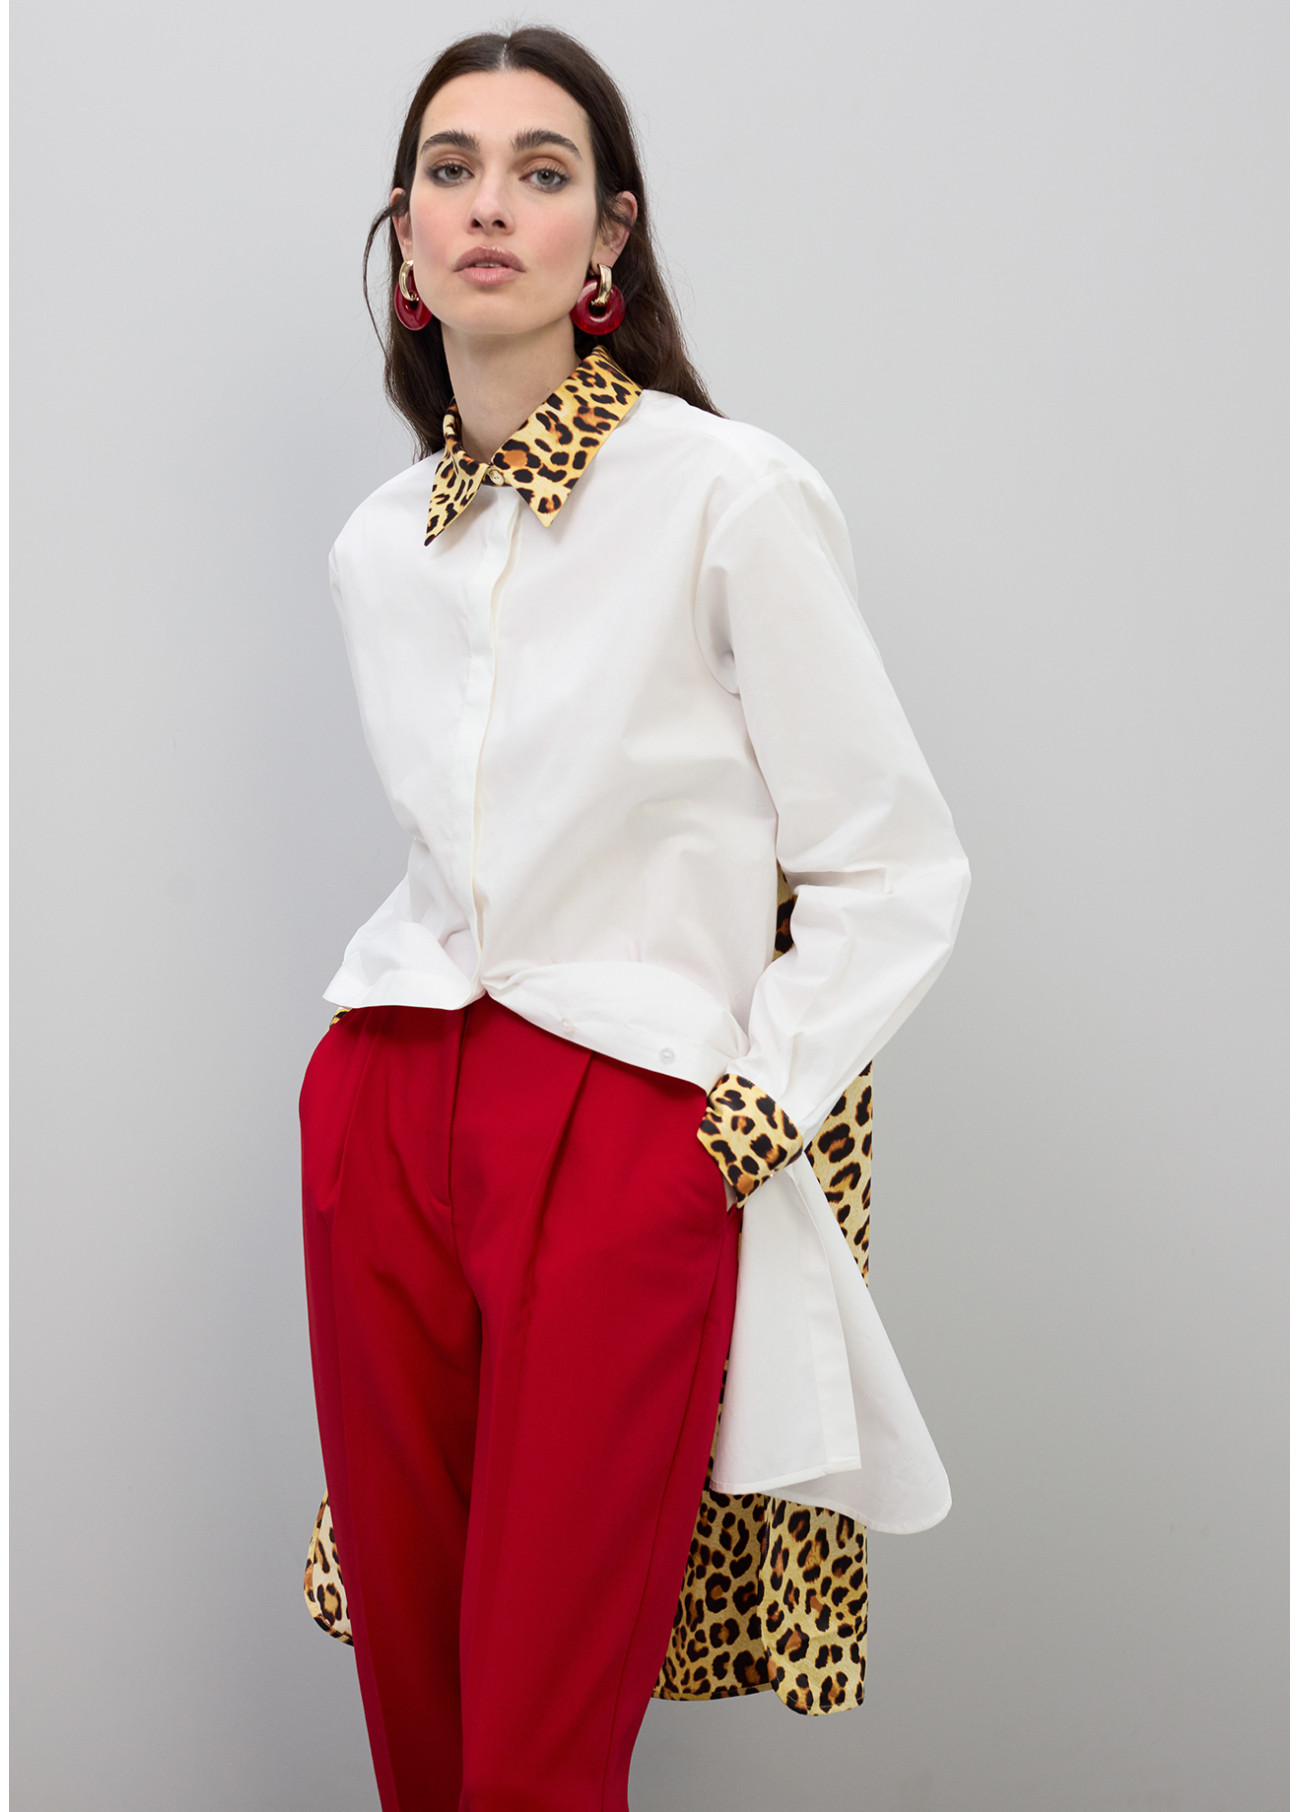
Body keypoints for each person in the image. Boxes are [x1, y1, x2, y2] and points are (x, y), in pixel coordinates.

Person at [299, 24, 971, 1812]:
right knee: (420, 1716)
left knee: (538, 1735)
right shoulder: (379, 546)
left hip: (618, 1123)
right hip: (384, 1104)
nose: (489, 206)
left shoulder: (727, 495)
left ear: (608, 238)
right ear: (405, 231)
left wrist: (735, 1126)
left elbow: (894, 865)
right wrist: (354, 1106)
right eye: (451, 170)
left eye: (542, 172)